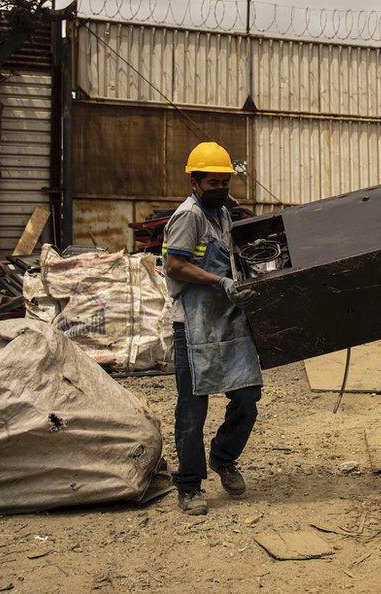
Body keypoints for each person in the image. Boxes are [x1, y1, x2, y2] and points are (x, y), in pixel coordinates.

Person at [163, 141, 263, 515]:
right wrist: (218, 282)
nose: (221, 188)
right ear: (195, 182)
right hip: (193, 324)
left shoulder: (222, 214)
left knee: (248, 396)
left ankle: (223, 457)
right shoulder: (189, 216)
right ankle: (189, 486)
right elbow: (175, 265)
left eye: (225, 181)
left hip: (226, 319)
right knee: (192, 409)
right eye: (213, 182)